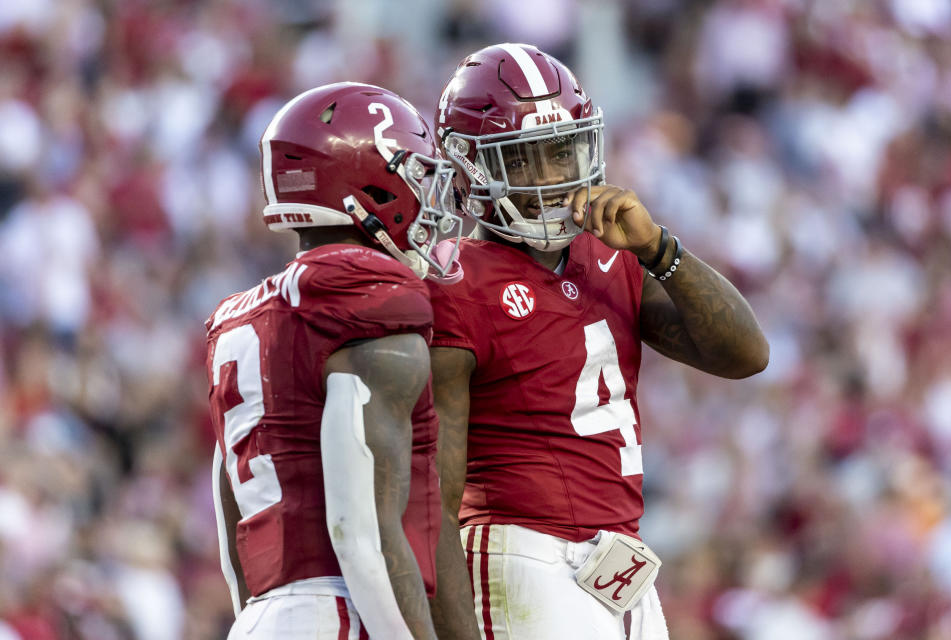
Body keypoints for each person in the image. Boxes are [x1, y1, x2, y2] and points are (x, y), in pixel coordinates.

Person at [427, 43, 770, 639]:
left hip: (617, 560)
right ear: (469, 168)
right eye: (525, 159)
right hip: (520, 551)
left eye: (561, 151)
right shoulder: (456, 280)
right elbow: (435, 502)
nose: (554, 177)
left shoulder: (612, 256)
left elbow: (746, 355)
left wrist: (659, 249)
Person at [206, 82, 463, 640]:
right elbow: (362, 531)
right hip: (345, 609)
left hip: (262, 617)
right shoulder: (366, 295)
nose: (427, 198)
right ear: (369, 182)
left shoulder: (241, 315)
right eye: (415, 175)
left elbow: (232, 521)